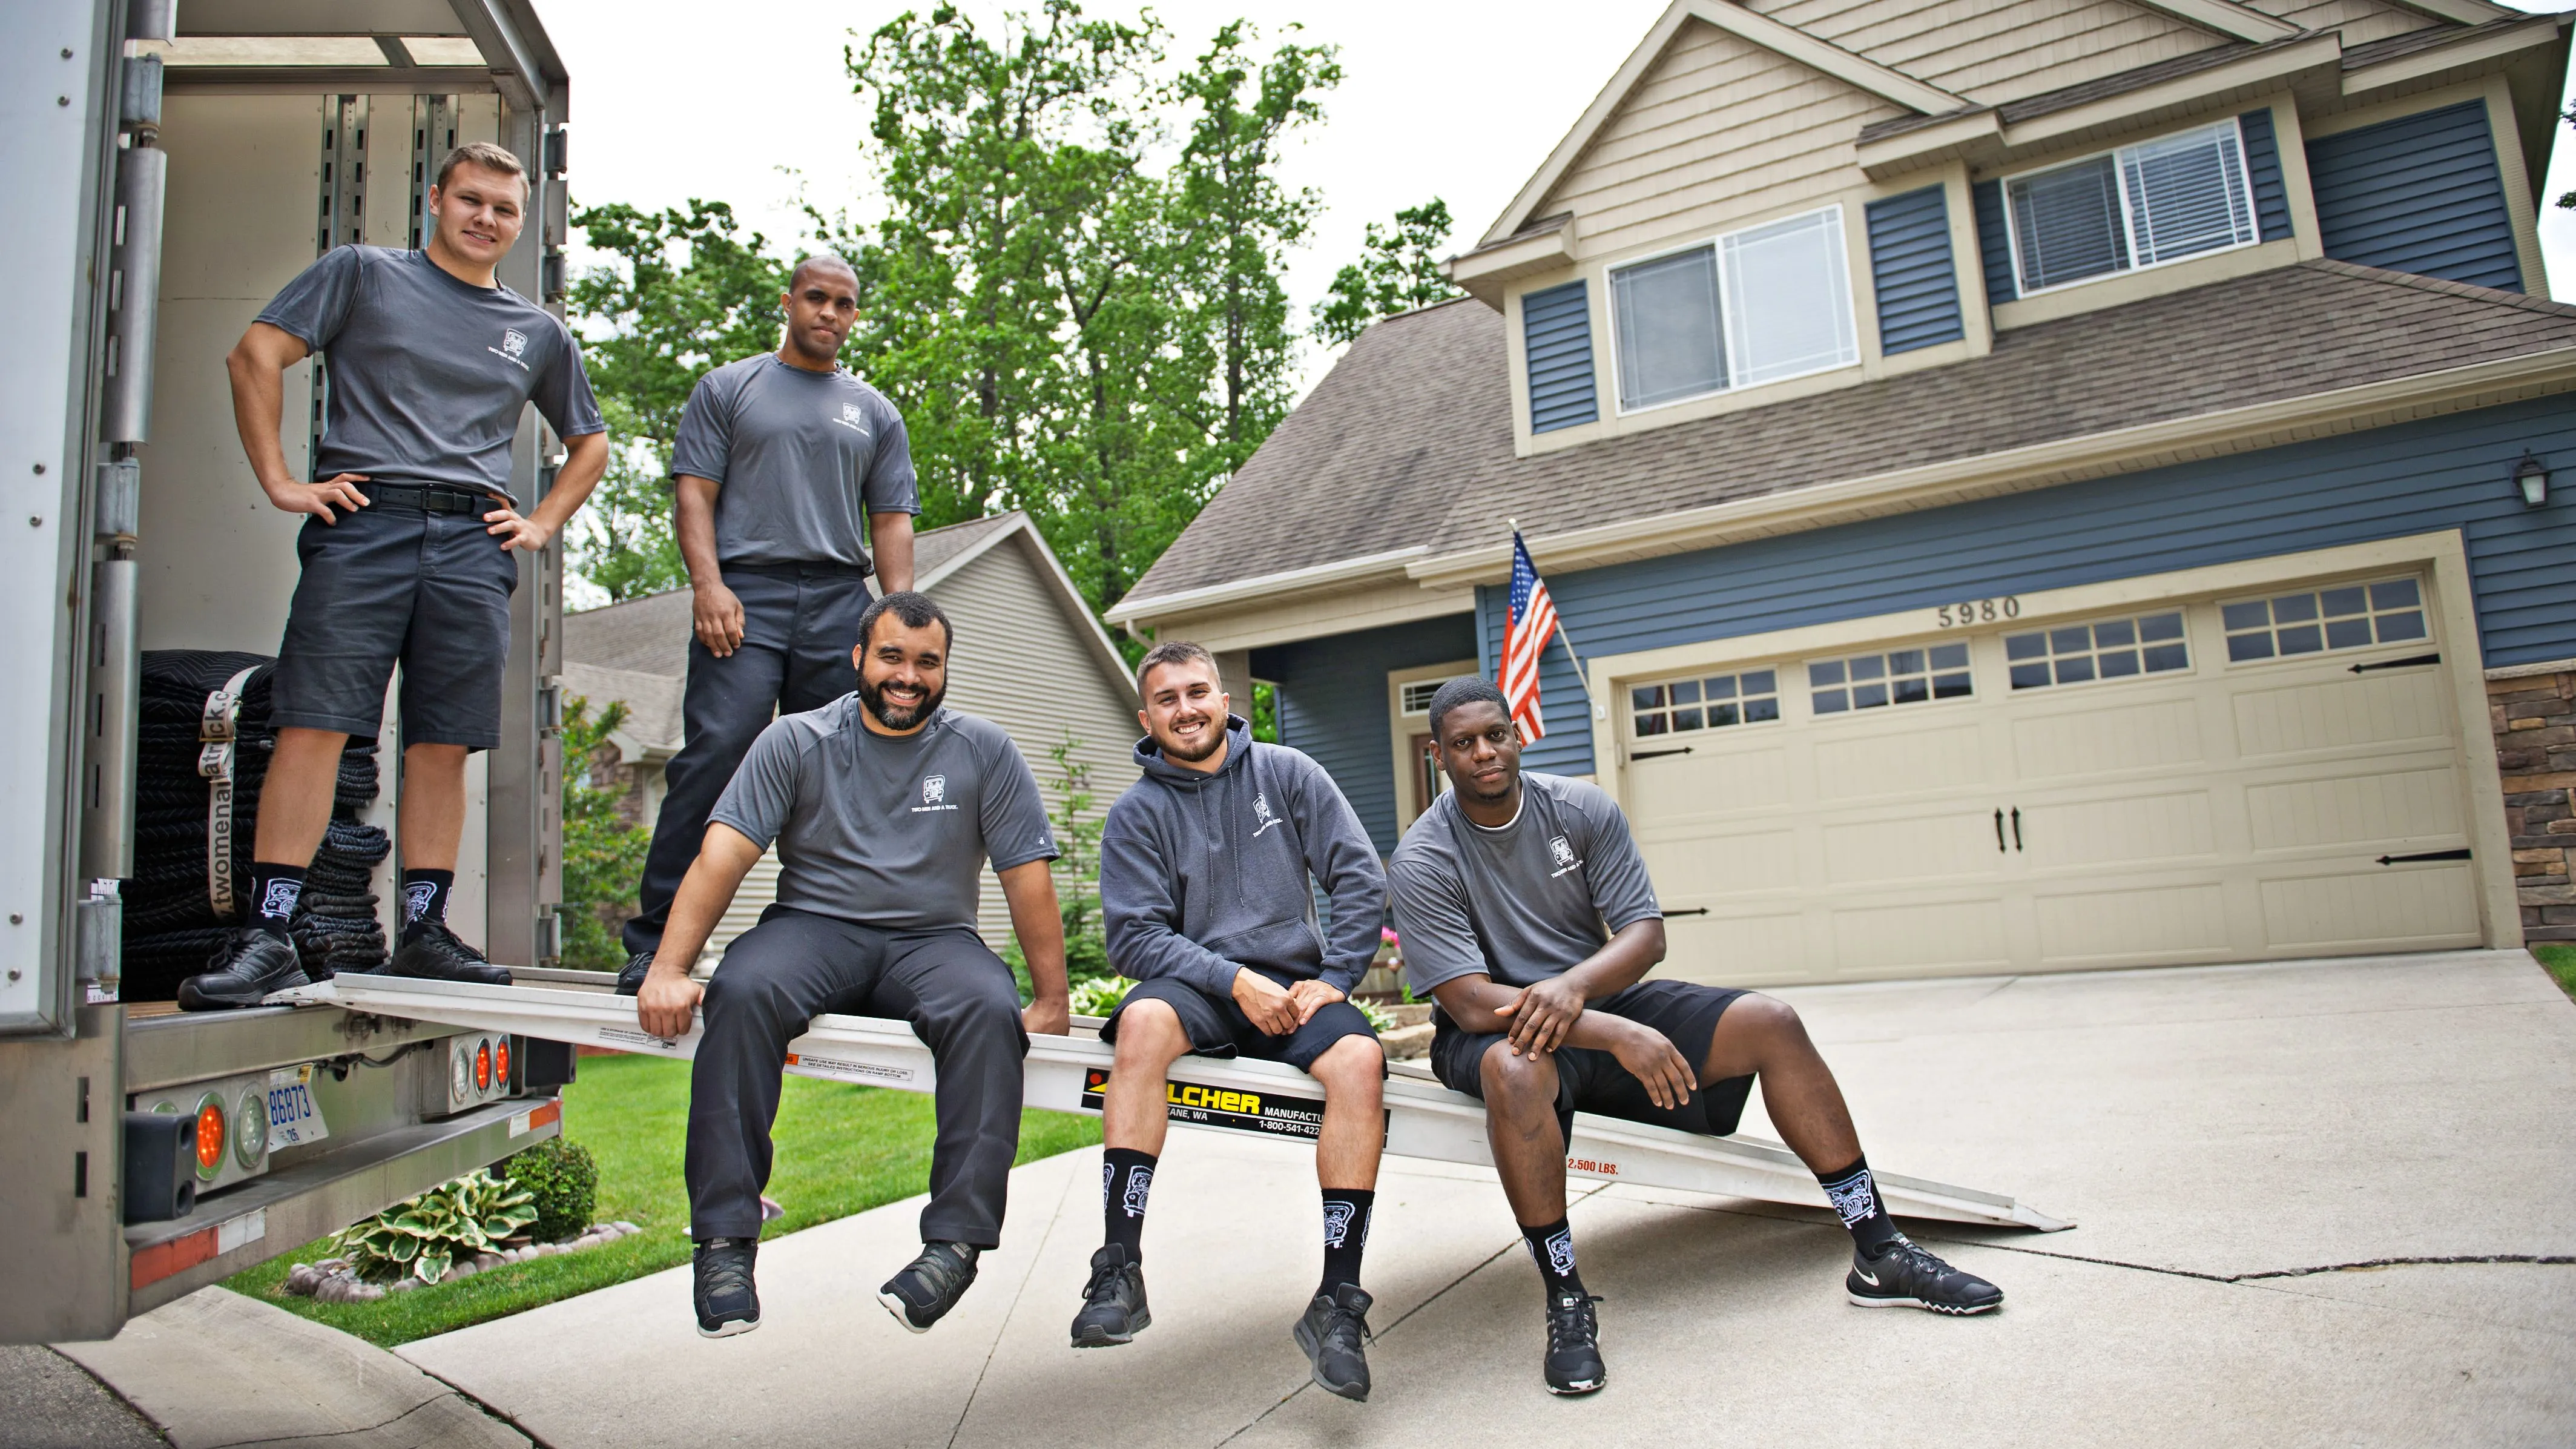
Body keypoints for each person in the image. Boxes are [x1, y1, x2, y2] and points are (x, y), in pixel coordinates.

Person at [1388, 678, 2003, 1397]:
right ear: (1439, 755)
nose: (1484, 752)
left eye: (1495, 734)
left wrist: (1579, 992)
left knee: (1770, 1022)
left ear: (1517, 732)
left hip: (1594, 1002)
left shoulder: (1580, 808)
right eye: (1463, 743)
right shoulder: (1424, 855)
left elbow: (1645, 935)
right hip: (1495, 1033)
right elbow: (1467, 1001)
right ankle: (1564, 1297)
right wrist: (1615, 1032)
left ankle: (1878, 1247)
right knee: (1518, 1070)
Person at [182, 142, 608, 1009]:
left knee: (441, 742)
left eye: (504, 209)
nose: (486, 219)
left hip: (470, 541)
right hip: (363, 523)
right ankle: (269, 934)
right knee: (315, 724)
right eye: (471, 201)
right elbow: (253, 356)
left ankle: (423, 931)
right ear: (435, 200)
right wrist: (280, 481)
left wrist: (538, 522)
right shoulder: (362, 275)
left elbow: (589, 442)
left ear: (519, 224)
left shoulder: (535, 332)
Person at [634, 592, 1072, 1339]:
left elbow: (1026, 874)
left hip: (934, 938)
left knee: (987, 1010)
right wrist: (667, 967)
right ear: (858, 659)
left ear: (944, 669)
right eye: (893, 656)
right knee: (741, 989)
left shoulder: (982, 749)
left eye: (927, 662)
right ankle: (724, 1241)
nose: (909, 675)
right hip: (815, 928)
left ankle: (955, 1245)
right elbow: (724, 855)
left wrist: (1052, 997)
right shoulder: (796, 741)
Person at [1077, 641, 1390, 1401]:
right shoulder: (1136, 812)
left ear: (1223, 699)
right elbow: (1133, 936)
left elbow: (1359, 876)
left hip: (1295, 988)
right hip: (1200, 985)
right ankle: (1120, 1269)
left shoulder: (1288, 774)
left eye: (1197, 692)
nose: (1185, 709)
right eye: (1167, 698)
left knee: (1359, 1063)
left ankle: (1337, 1301)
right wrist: (1232, 978)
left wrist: (1335, 977)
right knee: (1143, 1024)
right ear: (1146, 716)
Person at [615, 254, 918, 994]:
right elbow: (694, 496)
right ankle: (656, 945)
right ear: (788, 301)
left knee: (842, 770)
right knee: (716, 756)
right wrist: (708, 584)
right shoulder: (729, 388)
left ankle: (839, 945)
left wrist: (897, 619)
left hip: (839, 598)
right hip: (744, 596)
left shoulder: (873, 410)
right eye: (817, 298)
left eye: (845, 304)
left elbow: (891, 519)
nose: (830, 314)